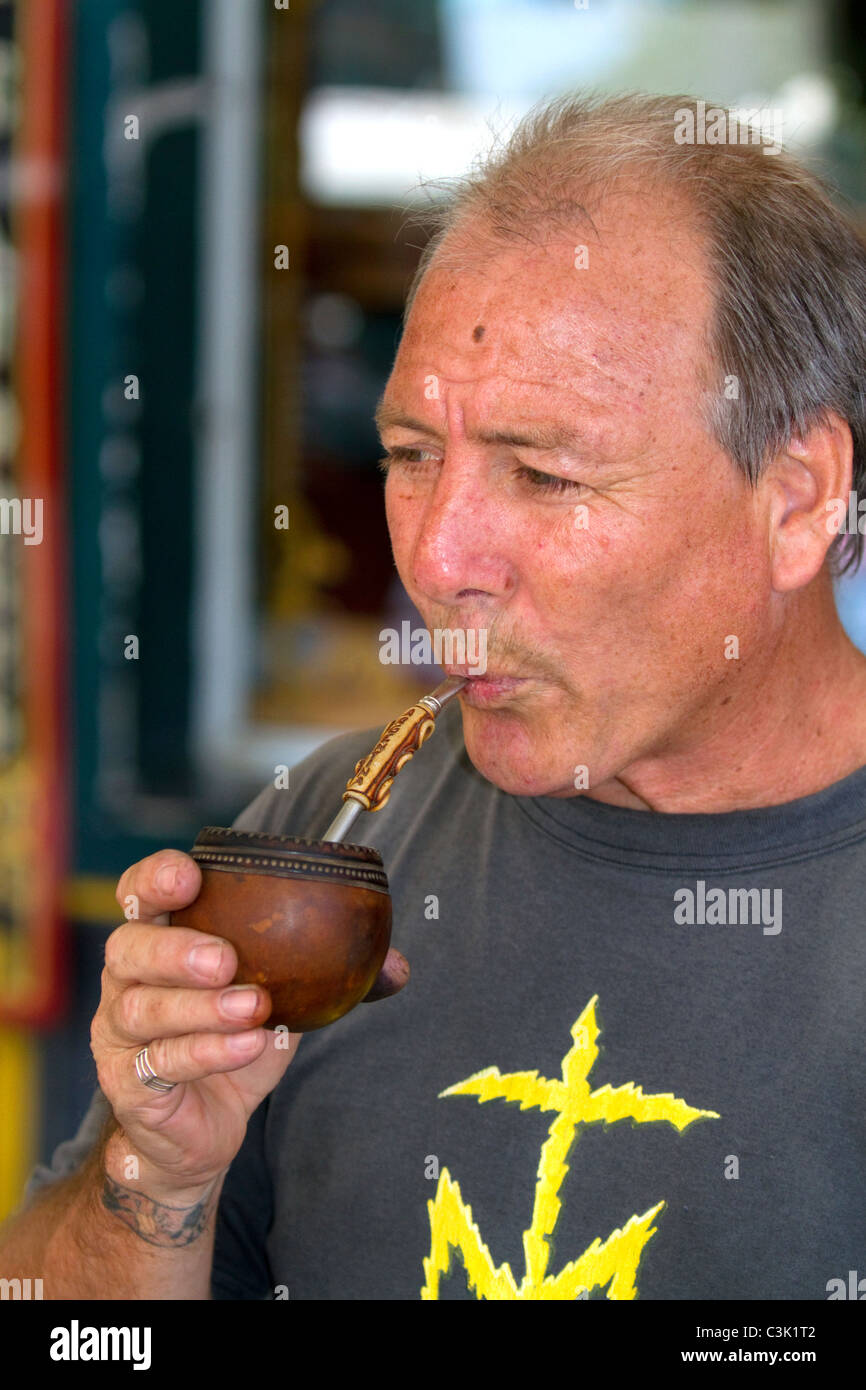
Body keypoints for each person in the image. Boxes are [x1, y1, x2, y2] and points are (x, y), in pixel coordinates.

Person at [3, 90, 866, 1300]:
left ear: (796, 499)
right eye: (410, 456)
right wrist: (159, 1177)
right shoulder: (325, 837)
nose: (437, 557)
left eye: (543, 470)